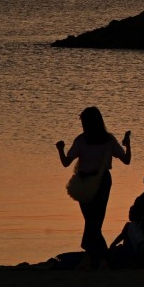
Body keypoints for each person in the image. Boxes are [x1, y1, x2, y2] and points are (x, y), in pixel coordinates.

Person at [56, 106, 131, 270]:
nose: (82, 125)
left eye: (84, 122)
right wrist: (128, 145)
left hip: (88, 183)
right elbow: (126, 159)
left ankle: (94, 258)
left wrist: (60, 149)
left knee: (92, 222)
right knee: (93, 223)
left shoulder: (82, 140)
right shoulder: (107, 140)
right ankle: (97, 258)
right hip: (98, 182)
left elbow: (65, 162)